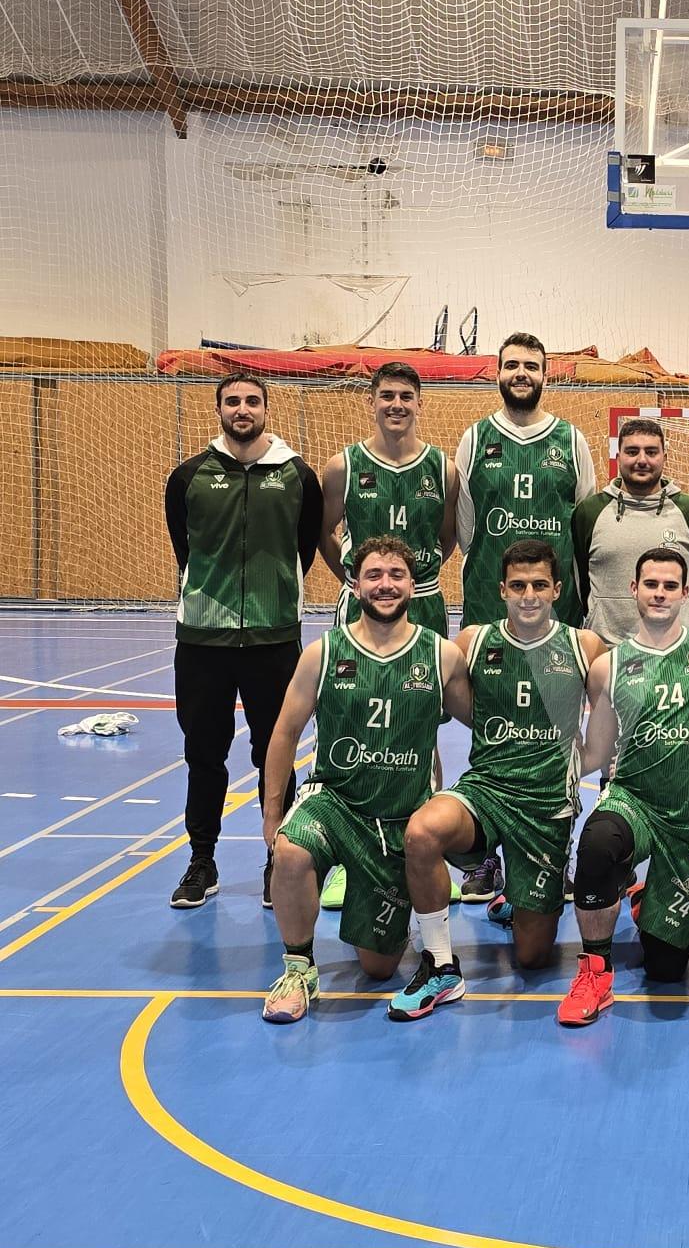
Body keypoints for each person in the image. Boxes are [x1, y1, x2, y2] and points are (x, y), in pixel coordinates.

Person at [259, 538, 471, 1026]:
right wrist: (272, 815)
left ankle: (382, 915)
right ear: (355, 586)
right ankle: (298, 970)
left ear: (413, 585)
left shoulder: (441, 655)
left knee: (378, 968)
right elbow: (285, 732)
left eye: (396, 574)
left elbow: (485, 726)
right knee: (290, 850)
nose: (385, 584)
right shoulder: (323, 653)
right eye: (374, 575)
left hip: (400, 818)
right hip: (335, 803)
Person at [402, 540, 606, 983]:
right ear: (502, 590)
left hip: (547, 806)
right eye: (518, 585)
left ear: (556, 590)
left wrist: (581, 763)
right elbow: (458, 711)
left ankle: (519, 895)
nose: (528, 595)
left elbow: (616, 719)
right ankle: (439, 962)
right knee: (422, 831)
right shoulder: (474, 641)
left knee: (532, 957)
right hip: (487, 790)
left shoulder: (584, 645)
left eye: (539, 585)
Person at [164, 372, 322, 912]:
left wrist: (270, 597)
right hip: (202, 640)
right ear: (219, 410)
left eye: (252, 400)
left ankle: (278, 858)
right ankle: (201, 860)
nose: (242, 409)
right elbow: (185, 550)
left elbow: (303, 549)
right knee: (203, 753)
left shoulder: (298, 475)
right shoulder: (189, 476)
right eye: (232, 401)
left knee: (274, 752)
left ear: (266, 409)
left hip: (273, 639)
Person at [559, 549, 689, 1028]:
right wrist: (551, 752)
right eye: (651, 584)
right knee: (597, 843)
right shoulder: (608, 666)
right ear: (634, 589)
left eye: (670, 585)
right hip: (634, 800)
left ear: (686, 592)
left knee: (667, 969)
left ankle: (644, 895)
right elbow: (597, 752)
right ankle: (595, 970)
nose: (660, 593)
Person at [454, 332, 595, 900]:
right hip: (495, 607)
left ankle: (555, 850)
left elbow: (585, 524)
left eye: (531, 366)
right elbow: (466, 527)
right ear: (497, 373)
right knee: (493, 727)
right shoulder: (475, 438)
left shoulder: (571, 440)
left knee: (557, 732)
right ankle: (485, 855)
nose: (521, 373)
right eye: (511, 364)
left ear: (545, 374)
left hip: (557, 611)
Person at [319, 361, 457, 638]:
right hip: (362, 603)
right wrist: (359, 579)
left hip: (423, 602)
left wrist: (410, 576)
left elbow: (447, 537)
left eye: (406, 397)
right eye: (387, 396)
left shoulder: (443, 469)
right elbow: (324, 532)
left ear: (419, 404)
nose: (397, 405)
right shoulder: (343, 467)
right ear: (371, 402)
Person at [571, 417, 689, 645]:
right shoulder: (589, 512)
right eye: (632, 452)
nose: (642, 460)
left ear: (664, 458)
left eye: (651, 452)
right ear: (618, 457)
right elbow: (582, 582)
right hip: (609, 649)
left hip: (676, 650)